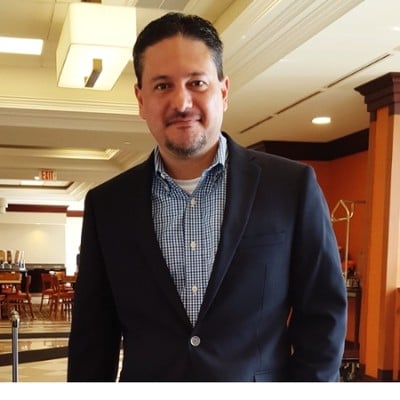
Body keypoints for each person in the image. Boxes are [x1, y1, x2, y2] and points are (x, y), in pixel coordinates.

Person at [67, 12, 347, 382]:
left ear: (223, 91)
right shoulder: (108, 206)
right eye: (162, 86)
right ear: (140, 99)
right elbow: (93, 337)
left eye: (197, 82)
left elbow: (323, 316)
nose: (182, 102)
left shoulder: (290, 186)